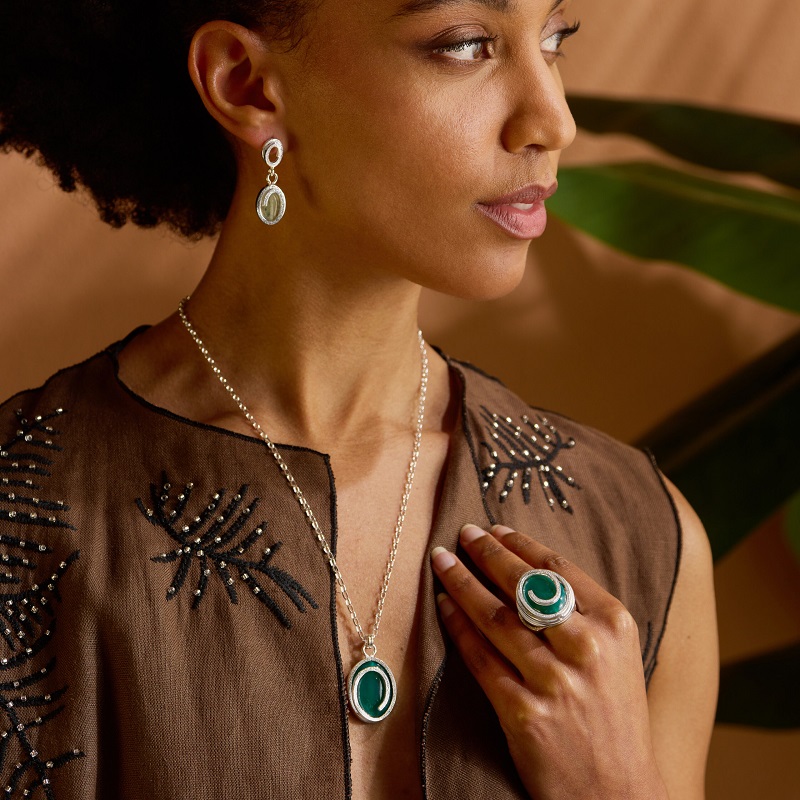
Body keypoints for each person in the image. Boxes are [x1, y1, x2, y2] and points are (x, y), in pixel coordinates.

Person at [0, 0, 718, 798]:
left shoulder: (642, 536)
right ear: (247, 85)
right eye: (466, 45)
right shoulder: (23, 518)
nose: (553, 120)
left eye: (554, 40)